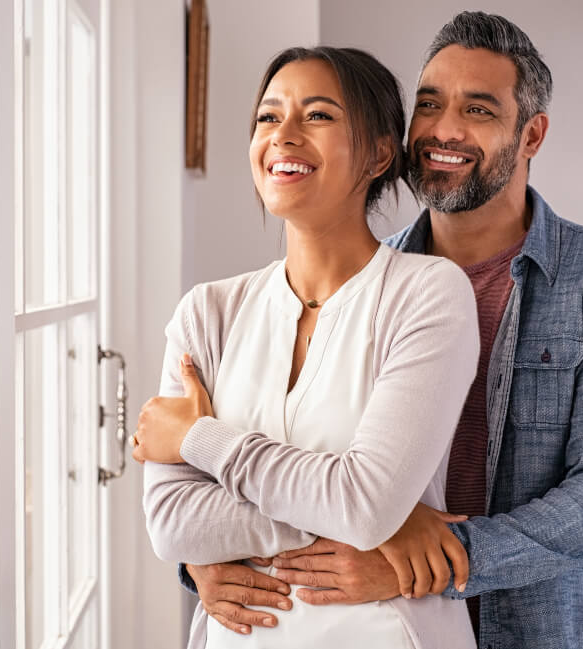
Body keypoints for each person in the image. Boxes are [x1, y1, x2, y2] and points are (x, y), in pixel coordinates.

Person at [184, 12, 583, 649]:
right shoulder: (359, 279)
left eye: (478, 110)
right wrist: (202, 559)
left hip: (538, 631)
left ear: (532, 135)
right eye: (428, 104)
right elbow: (286, 453)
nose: (444, 130)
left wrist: (436, 559)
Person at [134, 46, 481, 648]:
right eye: (268, 118)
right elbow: (170, 524)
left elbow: (364, 503)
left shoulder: (428, 294)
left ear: (377, 153)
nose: (283, 136)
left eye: (317, 116)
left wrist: (197, 439)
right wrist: (359, 517)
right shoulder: (207, 313)